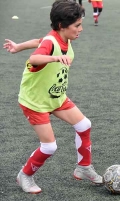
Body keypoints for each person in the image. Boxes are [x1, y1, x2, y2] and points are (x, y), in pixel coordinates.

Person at [2, 0, 103, 194]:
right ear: (61, 26)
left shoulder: (62, 37)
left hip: (56, 96)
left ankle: (83, 168)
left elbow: (38, 40)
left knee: (84, 125)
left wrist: (18, 46)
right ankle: (25, 175)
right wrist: (55, 58)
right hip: (35, 102)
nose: (81, 29)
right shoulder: (51, 43)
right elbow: (35, 58)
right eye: (77, 26)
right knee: (49, 146)